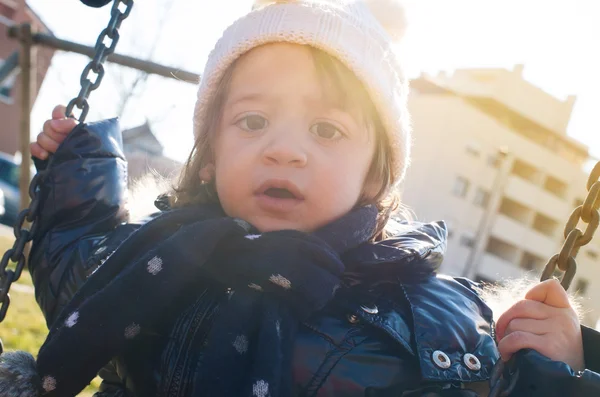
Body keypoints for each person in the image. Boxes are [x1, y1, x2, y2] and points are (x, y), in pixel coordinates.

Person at [1, 1, 599, 396]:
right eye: (254, 121)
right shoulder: (154, 255)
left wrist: (566, 363)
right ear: (209, 156)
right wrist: (78, 171)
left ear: (374, 176)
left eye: (327, 130)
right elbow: (72, 264)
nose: (285, 150)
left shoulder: (430, 313)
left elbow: (501, 382)